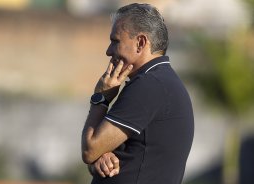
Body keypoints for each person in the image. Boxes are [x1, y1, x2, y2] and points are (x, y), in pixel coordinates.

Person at [81, 3, 194, 184]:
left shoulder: (150, 86)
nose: (108, 51)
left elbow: (90, 149)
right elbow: (98, 155)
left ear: (140, 43)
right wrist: (99, 162)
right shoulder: (157, 81)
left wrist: (100, 98)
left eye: (115, 41)